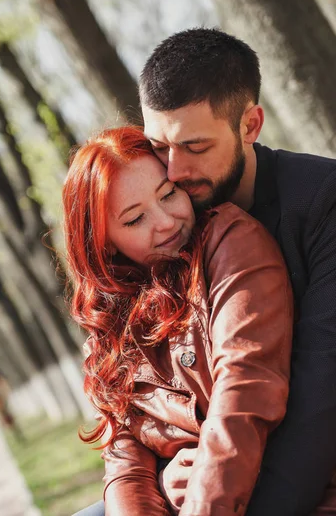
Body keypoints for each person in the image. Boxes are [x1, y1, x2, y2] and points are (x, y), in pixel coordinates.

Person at [139, 27, 336, 515]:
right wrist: (171, 473)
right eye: (159, 147)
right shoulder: (167, 224)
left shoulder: (324, 202)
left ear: (250, 125)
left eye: (195, 146)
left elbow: (321, 399)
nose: (173, 171)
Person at [64, 126, 294, 516]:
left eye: (168, 194)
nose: (167, 222)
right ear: (104, 243)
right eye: (136, 219)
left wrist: (200, 491)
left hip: (255, 483)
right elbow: (123, 462)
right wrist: (159, 485)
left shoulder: (228, 242)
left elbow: (245, 387)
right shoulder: (110, 322)